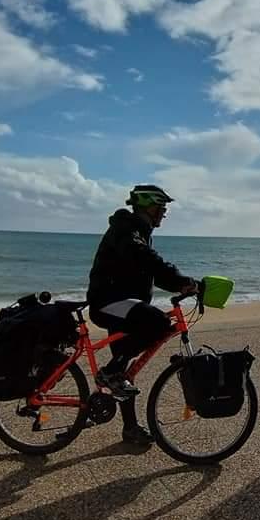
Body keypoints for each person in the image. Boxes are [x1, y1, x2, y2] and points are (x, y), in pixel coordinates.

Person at [87, 184, 198, 444]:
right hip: (109, 303)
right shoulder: (128, 229)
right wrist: (181, 279)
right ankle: (110, 372)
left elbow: (149, 269)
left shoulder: (137, 230)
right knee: (159, 323)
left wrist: (183, 284)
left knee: (126, 374)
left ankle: (129, 428)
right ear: (149, 206)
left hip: (123, 304)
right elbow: (147, 259)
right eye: (162, 208)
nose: (163, 214)